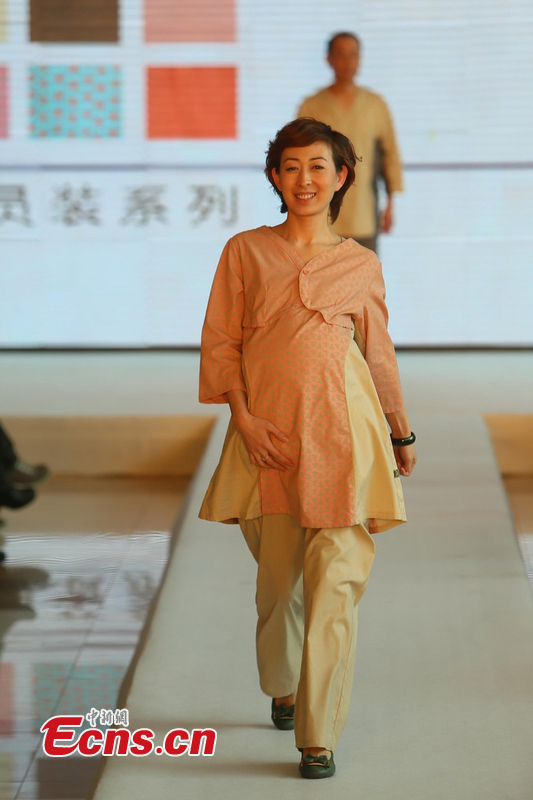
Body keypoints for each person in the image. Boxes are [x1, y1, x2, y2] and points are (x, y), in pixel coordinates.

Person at [198, 118, 417, 779]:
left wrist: (397, 427)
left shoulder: (358, 263)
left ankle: (317, 737)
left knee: (336, 588)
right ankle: (283, 686)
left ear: (341, 176)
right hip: (267, 439)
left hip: (345, 437)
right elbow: (221, 342)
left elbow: (376, 351)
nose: (305, 179)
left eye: (318, 166)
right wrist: (243, 419)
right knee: (279, 590)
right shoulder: (245, 251)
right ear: (274, 176)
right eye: (291, 167)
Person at [297, 31, 403, 253]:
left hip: (364, 215)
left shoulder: (376, 105)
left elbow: (390, 155)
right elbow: (298, 161)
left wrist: (390, 205)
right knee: (321, 283)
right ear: (329, 59)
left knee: (364, 283)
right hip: (321, 218)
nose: (347, 61)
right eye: (341, 54)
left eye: (353, 54)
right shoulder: (312, 106)